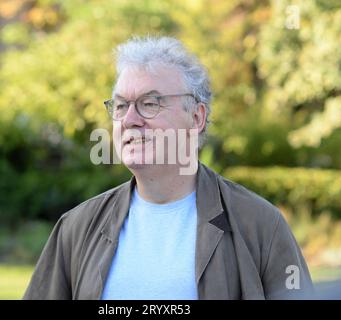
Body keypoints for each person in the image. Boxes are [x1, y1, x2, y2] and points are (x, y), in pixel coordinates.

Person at [23, 36, 314, 300]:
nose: (130, 120)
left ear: (197, 117)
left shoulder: (259, 225)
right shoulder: (76, 228)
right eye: (121, 106)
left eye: (149, 104)